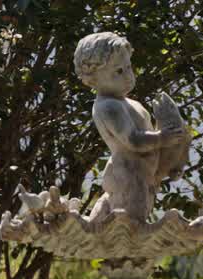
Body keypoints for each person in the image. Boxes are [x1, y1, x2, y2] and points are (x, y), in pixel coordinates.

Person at [73, 32, 188, 222]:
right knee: (130, 224)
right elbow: (134, 140)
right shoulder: (109, 107)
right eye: (118, 71)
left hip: (144, 177)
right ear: (92, 78)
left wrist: (170, 163)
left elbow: (152, 145)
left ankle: (98, 222)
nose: (128, 76)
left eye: (128, 67)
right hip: (127, 176)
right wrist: (162, 137)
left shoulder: (132, 104)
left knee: (134, 221)